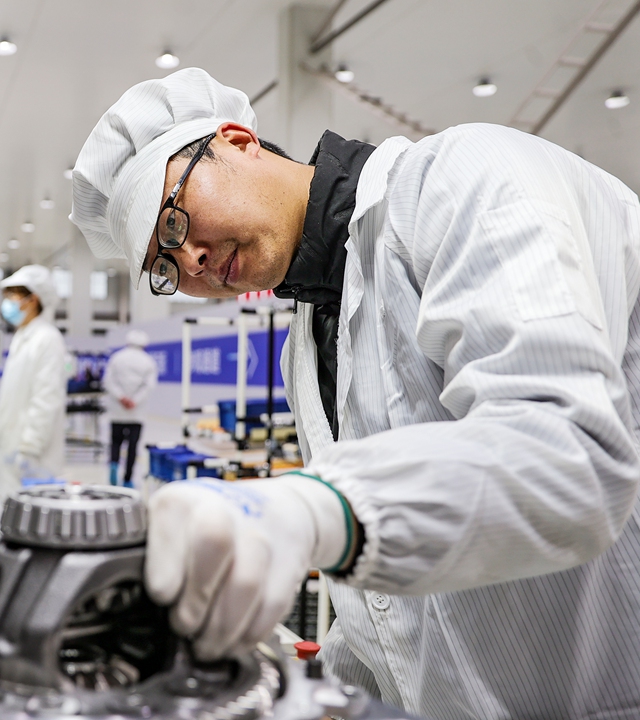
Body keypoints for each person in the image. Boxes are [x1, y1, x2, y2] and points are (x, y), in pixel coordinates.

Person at [70, 67, 640, 719]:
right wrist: (313, 694)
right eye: (164, 267)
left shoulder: (464, 178)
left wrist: (314, 510)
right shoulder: (307, 339)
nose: (191, 262)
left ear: (236, 139)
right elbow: (387, 614)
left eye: (172, 223)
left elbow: (572, 456)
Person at [0, 265, 67, 498]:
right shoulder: (23, 337)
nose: (8, 303)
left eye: (13, 296)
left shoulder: (47, 339)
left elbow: (46, 398)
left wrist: (29, 449)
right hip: (10, 452)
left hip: (31, 458)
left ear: (33, 300)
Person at [102, 329, 158, 487]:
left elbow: (108, 381)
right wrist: (134, 401)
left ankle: (113, 465)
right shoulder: (148, 361)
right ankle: (127, 478)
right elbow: (149, 386)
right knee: (132, 446)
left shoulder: (117, 358)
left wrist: (121, 397)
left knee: (115, 442)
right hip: (136, 412)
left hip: (117, 410)